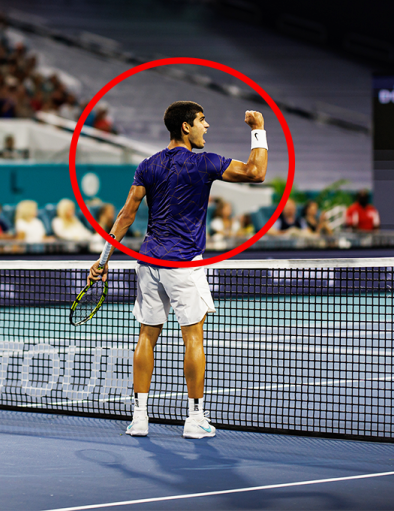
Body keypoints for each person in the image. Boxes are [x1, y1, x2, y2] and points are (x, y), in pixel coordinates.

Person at [88, 101, 268, 439]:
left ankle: (139, 418)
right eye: (202, 121)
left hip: (149, 262)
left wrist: (103, 260)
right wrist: (257, 129)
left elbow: (126, 215)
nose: (207, 127)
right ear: (185, 127)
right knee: (193, 339)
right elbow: (256, 173)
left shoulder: (148, 164)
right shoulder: (205, 162)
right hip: (184, 264)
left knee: (146, 337)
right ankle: (194, 418)